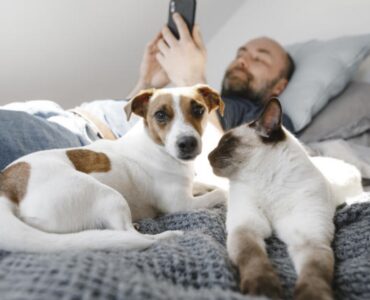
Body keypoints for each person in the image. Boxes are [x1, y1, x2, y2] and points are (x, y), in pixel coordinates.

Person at [129, 12, 295, 133]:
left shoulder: (273, 120)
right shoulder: (217, 104)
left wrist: (192, 80)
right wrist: (146, 82)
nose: (241, 60)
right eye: (240, 54)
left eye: (259, 59)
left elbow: (231, 173)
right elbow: (122, 131)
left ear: (279, 86)